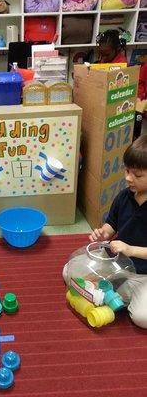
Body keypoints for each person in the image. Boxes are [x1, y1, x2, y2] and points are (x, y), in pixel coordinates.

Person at [89, 135, 147, 328]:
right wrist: (103, 234)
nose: (128, 178)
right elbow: (111, 225)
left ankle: (119, 292)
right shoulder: (124, 196)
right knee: (69, 272)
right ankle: (119, 293)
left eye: (137, 175)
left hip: (143, 274)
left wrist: (130, 250)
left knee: (142, 318)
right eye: (126, 170)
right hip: (117, 262)